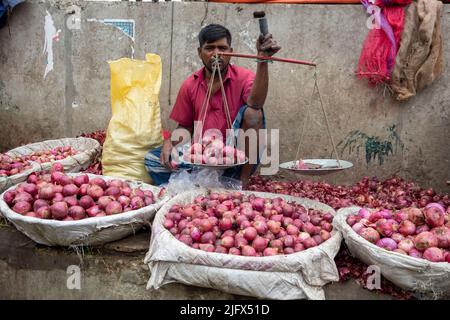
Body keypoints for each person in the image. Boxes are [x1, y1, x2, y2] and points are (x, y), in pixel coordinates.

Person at [145, 24, 280, 187]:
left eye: (222, 48)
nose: (216, 54)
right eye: (210, 48)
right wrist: (170, 143)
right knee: (152, 159)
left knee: (253, 113)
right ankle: (206, 181)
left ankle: (241, 181)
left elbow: (256, 103)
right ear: (199, 52)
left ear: (230, 51)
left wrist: (262, 61)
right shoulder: (190, 84)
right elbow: (185, 127)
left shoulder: (244, 78)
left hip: (235, 157)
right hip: (204, 156)